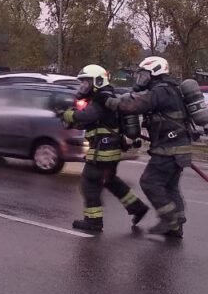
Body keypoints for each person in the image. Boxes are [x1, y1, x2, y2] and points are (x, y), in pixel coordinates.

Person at [101, 56, 192, 237]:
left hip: (168, 149)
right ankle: (175, 228)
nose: (141, 79)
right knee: (169, 187)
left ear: (155, 73)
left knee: (149, 182)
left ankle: (169, 219)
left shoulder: (160, 91)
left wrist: (110, 102)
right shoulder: (172, 89)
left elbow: (135, 107)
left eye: (144, 75)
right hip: (179, 148)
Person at [61, 64, 149, 233]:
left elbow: (89, 115)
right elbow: (92, 121)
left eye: (86, 82)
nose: (83, 86)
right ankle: (137, 207)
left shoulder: (101, 97)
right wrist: (74, 120)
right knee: (110, 181)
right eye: (83, 83)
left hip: (103, 151)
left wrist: (69, 114)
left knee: (89, 182)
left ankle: (93, 221)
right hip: (111, 150)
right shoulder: (108, 96)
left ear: (98, 81)